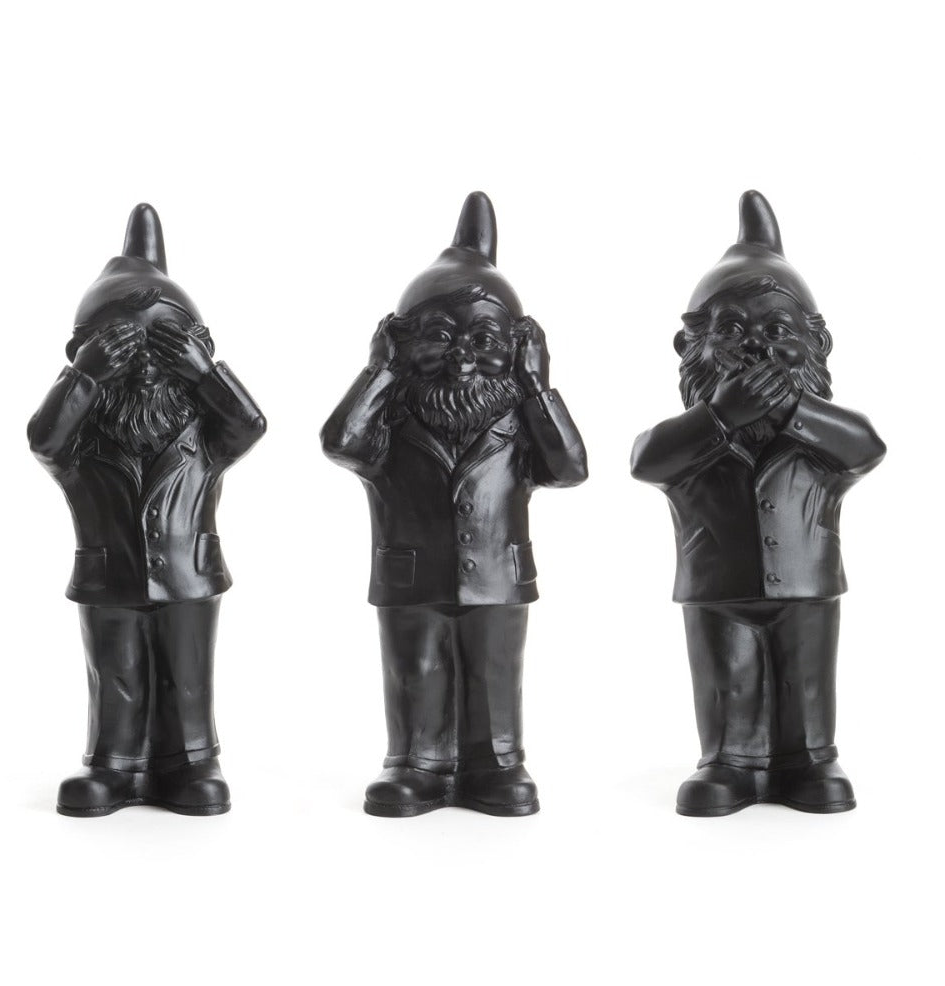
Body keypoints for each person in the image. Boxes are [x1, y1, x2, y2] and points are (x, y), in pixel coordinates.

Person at [322, 192, 587, 816]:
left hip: (497, 575)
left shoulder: (519, 419)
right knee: (416, 668)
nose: (463, 356)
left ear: (516, 347)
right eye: (440, 338)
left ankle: (497, 763)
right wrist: (379, 373)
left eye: (484, 339)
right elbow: (340, 443)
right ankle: (416, 762)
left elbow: (570, 469)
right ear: (403, 343)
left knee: (493, 670)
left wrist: (537, 386)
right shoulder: (390, 420)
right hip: (410, 578)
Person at [631, 191, 885, 816]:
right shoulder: (692, 439)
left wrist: (793, 407)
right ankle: (729, 761)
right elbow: (645, 459)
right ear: (691, 347)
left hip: (806, 586)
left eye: (777, 331)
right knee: (728, 681)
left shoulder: (820, 437)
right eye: (731, 331)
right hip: (718, 589)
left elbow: (868, 446)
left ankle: (811, 758)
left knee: (806, 680)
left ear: (815, 343)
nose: (755, 347)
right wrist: (720, 415)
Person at [28, 204, 266, 816]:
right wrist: (83, 377)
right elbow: (43, 440)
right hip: (110, 575)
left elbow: (250, 424)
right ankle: (113, 764)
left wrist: (205, 374)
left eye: (164, 346)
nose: (145, 365)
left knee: (186, 672)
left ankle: (191, 761)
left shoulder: (204, 436)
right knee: (117, 672)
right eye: (125, 347)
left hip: (189, 575)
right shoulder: (82, 443)